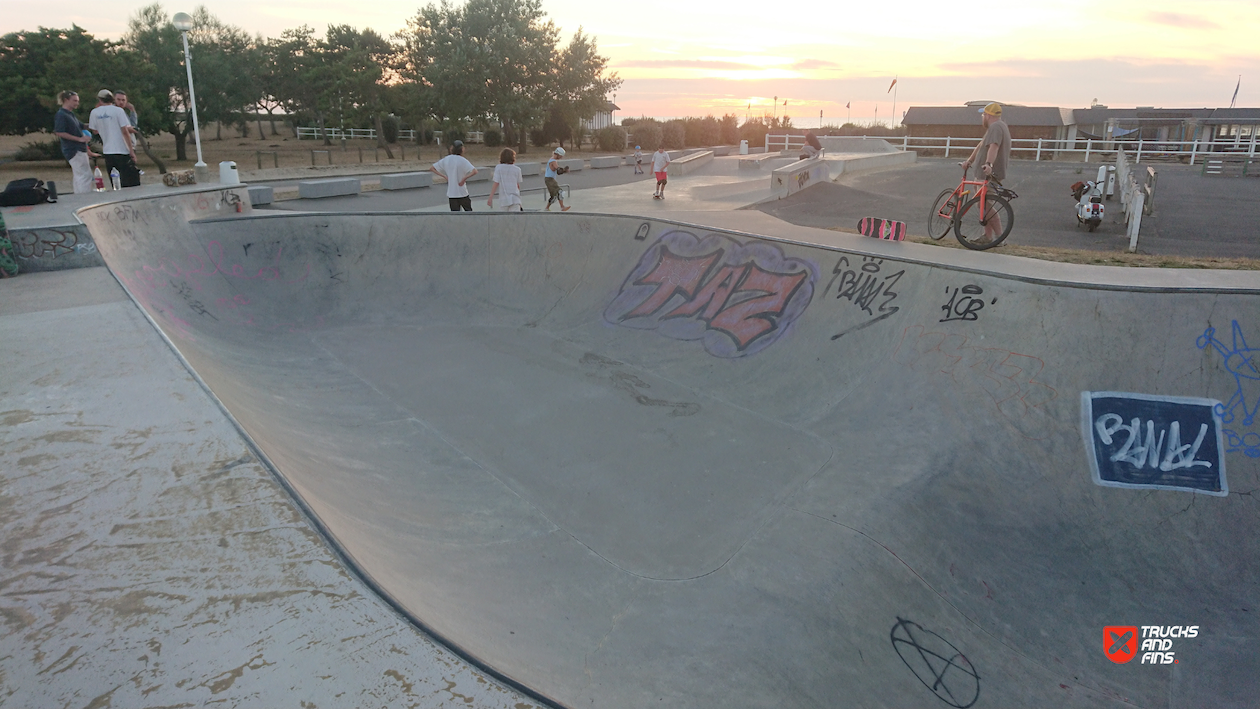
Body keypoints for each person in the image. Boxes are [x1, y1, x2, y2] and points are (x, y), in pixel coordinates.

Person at [961, 102, 1012, 243]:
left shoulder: (996, 127)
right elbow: (981, 145)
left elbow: (993, 147)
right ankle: (988, 237)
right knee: (982, 204)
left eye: (983, 114)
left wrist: (989, 164)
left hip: (987, 174)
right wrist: (970, 161)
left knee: (987, 205)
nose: (982, 117)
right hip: (982, 173)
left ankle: (1000, 239)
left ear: (988, 115)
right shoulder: (997, 127)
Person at [88, 89, 139, 188]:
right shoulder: (118, 111)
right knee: (129, 180)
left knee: (115, 180)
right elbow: (125, 132)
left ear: (100, 99)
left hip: (108, 151)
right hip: (123, 150)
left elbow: (94, 130)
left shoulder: (94, 112)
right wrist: (131, 151)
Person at [52, 91, 98, 194]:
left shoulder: (70, 114)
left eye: (78, 101)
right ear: (66, 100)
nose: (77, 103)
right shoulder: (61, 115)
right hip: (74, 149)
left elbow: (81, 126)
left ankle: (78, 195)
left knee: (79, 175)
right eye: (75, 101)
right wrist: (79, 139)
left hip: (79, 149)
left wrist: (95, 125)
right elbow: (59, 132)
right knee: (84, 175)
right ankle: (84, 198)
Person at [430, 140, 477, 211]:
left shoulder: (446, 159)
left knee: (455, 214)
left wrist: (444, 176)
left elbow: (432, 168)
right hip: (462, 192)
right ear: (462, 149)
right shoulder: (463, 160)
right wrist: (464, 178)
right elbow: (474, 171)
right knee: (468, 212)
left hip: (452, 193)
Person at [488, 148, 524, 212]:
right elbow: (517, 185)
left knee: (504, 219)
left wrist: (491, 197)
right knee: (515, 219)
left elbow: (496, 183)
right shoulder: (517, 169)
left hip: (504, 199)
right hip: (515, 199)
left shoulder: (499, 168)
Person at [544, 147, 571, 212]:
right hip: (550, 180)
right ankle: (562, 207)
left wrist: (564, 170)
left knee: (554, 196)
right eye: (561, 156)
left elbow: (558, 172)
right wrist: (565, 170)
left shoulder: (552, 160)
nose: (561, 157)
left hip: (549, 179)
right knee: (560, 192)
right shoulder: (553, 161)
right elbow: (559, 171)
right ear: (558, 154)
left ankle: (546, 208)